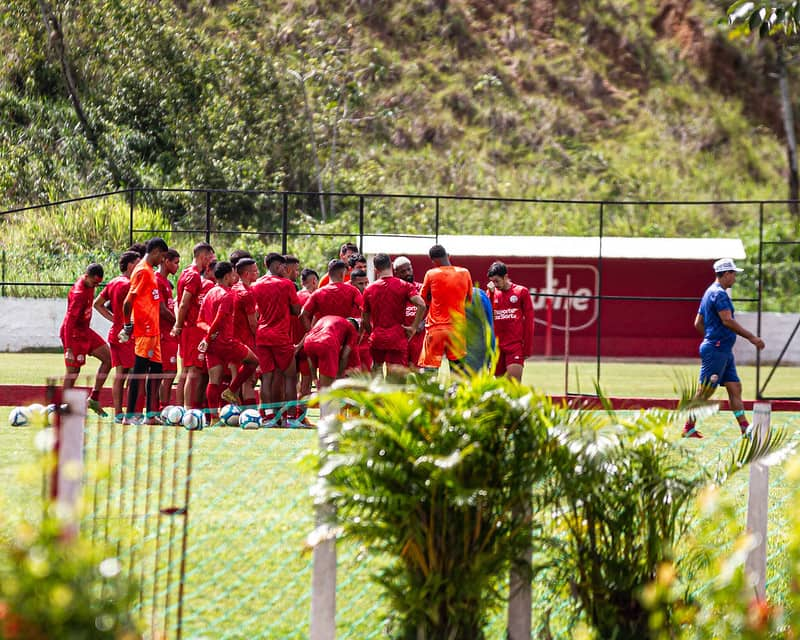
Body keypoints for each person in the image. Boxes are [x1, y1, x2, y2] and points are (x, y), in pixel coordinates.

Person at [682, 258, 766, 439]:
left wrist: (712, 337)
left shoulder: (708, 292)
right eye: (734, 274)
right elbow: (727, 320)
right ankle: (688, 427)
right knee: (706, 390)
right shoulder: (719, 294)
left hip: (723, 350)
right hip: (717, 349)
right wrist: (751, 337)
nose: (735, 278)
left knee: (735, 387)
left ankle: (745, 428)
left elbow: (698, 323)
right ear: (726, 274)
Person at [198, 261, 259, 423]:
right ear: (226, 277)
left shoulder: (210, 293)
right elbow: (219, 320)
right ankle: (231, 390)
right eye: (233, 275)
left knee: (214, 381)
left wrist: (208, 337)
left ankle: (214, 418)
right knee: (253, 361)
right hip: (226, 341)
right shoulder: (228, 294)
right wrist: (209, 336)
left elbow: (200, 321)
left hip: (212, 344)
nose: (235, 277)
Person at [121, 237, 169, 423]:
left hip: (154, 332)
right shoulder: (142, 271)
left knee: (156, 370)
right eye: (162, 256)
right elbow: (128, 301)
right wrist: (127, 325)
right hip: (145, 330)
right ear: (156, 251)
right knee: (139, 372)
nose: (162, 261)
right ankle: (129, 416)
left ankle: (150, 415)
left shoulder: (150, 272)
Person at [251, 253, 301, 425]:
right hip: (280, 336)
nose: (284, 269)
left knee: (267, 377)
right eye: (282, 266)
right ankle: (292, 418)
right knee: (290, 377)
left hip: (262, 335)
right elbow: (296, 310)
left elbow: (256, 311)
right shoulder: (287, 284)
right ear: (277, 265)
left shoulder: (256, 285)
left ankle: (269, 416)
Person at [93, 250, 141, 420]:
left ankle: (119, 413)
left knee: (121, 375)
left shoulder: (113, 282)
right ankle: (130, 413)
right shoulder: (128, 284)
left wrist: (114, 320)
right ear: (130, 265)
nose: (140, 266)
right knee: (134, 375)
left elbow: (97, 304)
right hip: (127, 334)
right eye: (137, 262)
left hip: (116, 333)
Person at [60, 263, 111, 416]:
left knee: (109, 358)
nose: (96, 286)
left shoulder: (89, 283)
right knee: (73, 371)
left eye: (98, 283)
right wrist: (69, 348)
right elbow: (69, 321)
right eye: (94, 283)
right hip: (74, 335)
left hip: (85, 332)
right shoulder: (78, 293)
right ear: (86, 276)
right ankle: (62, 406)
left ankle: (93, 399)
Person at [362, 253, 426, 375]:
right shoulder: (404, 285)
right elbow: (422, 305)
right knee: (396, 377)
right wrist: (413, 327)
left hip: (378, 337)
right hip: (397, 337)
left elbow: (365, 320)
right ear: (391, 266)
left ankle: (377, 394)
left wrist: (373, 333)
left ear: (376, 270)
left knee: (377, 371)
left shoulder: (369, 289)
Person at [172, 242, 215, 408]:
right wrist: (178, 325)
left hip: (188, 329)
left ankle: (180, 409)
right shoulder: (194, 275)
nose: (211, 262)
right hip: (192, 329)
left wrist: (179, 325)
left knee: (185, 371)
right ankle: (188, 410)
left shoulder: (185, 272)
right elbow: (183, 303)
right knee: (193, 371)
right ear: (203, 257)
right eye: (210, 258)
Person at [418, 244, 473, 371]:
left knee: (430, 372)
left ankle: (430, 392)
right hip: (457, 330)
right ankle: (456, 391)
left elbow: (422, 300)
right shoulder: (465, 272)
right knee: (458, 372)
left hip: (435, 329)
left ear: (433, 261)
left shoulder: (431, 274)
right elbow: (468, 300)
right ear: (448, 255)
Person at [486, 261, 534, 381]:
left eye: (497, 281)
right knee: (500, 387)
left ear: (505, 277)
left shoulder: (521, 292)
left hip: (514, 346)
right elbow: (488, 317)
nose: (495, 284)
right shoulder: (491, 293)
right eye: (492, 281)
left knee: (513, 383)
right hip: (497, 347)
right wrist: (491, 295)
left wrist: (527, 348)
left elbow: (529, 321)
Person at [299, 259, 363, 330]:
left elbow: (303, 315)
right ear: (342, 274)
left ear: (328, 274)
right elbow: (365, 310)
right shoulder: (353, 291)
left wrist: (311, 332)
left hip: (326, 335)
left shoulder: (318, 293)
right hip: (345, 334)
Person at [299, 315, 360, 390]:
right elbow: (344, 355)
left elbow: (310, 358)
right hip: (327, 342)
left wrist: (315, 379)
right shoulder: (352, 330)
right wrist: (338, 377)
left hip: (308, 341)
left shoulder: (330, 320)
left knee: (321, 388)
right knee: (327, 391)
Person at [232, 257, 260, 408]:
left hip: (233, 339)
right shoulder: (247, 293)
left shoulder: (233, 288)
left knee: (237, 377)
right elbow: (253, 323)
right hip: (246, 340)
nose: (258, 273)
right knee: (249, 380)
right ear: (247, 274)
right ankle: (251, 413)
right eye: (255, 271)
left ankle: (236, 412)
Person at [157, 249, 180, 406]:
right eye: (176, 262)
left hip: (168, 333)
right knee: (167, 373)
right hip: (163, 334)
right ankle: (161, 408)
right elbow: (161, 309)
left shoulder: (165, 282)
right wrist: (178, 323)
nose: (177, 266)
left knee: (169, 372)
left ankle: (160, 408)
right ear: (166, 261)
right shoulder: (157, 280)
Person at [393, 256, 426, 368]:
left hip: (419, 338)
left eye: (409, 269)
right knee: (399, 373)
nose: (408, 273)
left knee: (419, 374)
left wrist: (423, 322)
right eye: (403, 271)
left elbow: (434, 308)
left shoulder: (422, 288)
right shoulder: (394, 289)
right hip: (401, 336)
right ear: (396, 273)